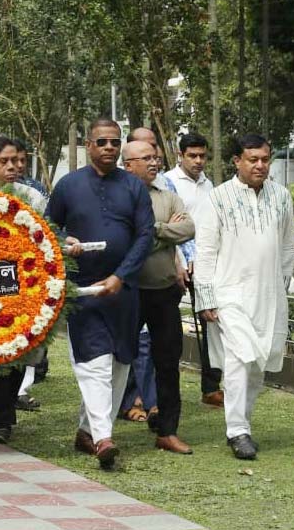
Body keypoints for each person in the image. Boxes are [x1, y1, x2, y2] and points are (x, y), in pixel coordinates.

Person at [46, 118, 154, 470]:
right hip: (85, 288)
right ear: (89, 145)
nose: (108, 147)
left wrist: (121, 276)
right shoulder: (68, 185)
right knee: (95, 363)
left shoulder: (134, 187)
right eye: (102, 141)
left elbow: (145, 235)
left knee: (122, 361)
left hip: (124, 290)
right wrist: (65, 243)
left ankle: (85, 430)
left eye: (114, 142)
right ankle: (104, 439)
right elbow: (49, 229)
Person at [193, 134, 294, 460]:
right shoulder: (218, 198)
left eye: (265, 159)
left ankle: (244, 423)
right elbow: (206, 251)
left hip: (269, 295)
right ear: (237, 161)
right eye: (253, 159)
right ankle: (237, 431)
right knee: (239, 359)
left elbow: (287, 248)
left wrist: (280, 288)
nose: (260, 165)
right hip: (229, 294)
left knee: (258, 363)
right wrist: (205, 298)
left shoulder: (281, 197)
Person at [0, 135, 46, 443]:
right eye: (4, 161)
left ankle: (4, 412)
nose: (13, 167)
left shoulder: (33, 197)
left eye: (17, 160)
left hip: (23, 284)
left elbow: (44, 238)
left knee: (18, 351)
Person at [122, 141, 195, 454]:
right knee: (116, 358)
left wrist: (152, 230)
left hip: (165, 291)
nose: (154, 163)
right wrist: (164, 233)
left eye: (155, 157)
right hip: (128, 290)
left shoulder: (167, 196)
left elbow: (189, 228)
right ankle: (99, 426)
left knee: (168, 362)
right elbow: (124, 241)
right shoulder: (119, 196)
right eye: (146, 158)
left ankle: (167, 430)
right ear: (129, 164)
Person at [165, 133, 223, 408]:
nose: (199, 161)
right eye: (193, 156)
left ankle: (211, 388)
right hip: (175, 264)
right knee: (168, 327)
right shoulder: (169, 182)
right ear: (180, 155)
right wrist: (179, 258)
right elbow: (170, 226)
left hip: (205, 264)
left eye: (203, 156)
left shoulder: (208, 184)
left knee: (211, 322)